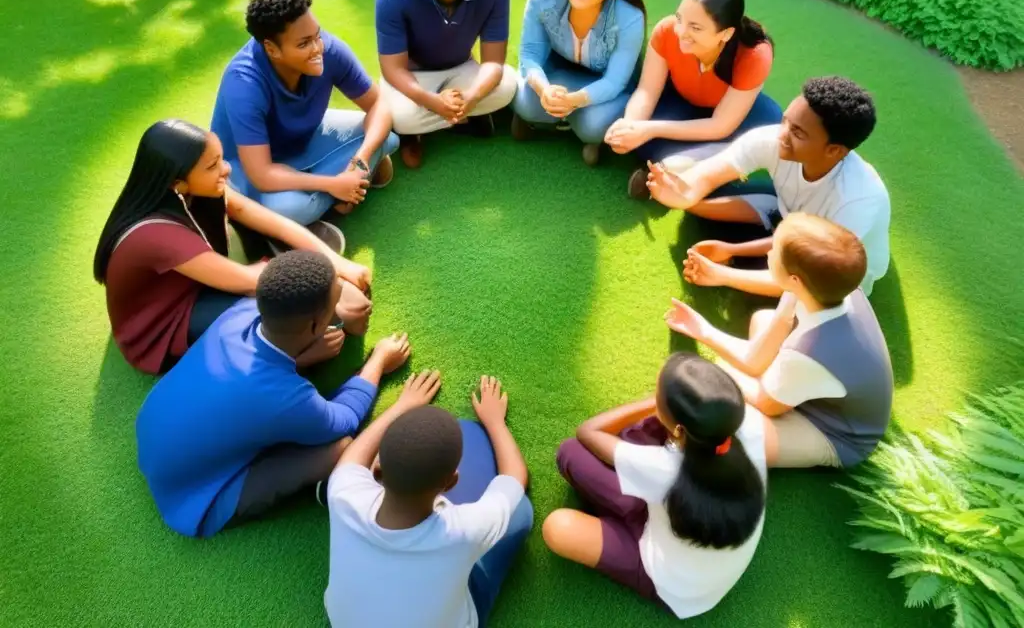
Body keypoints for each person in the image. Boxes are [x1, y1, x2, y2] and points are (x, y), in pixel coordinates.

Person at [135, 250, 412, 538]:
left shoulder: (241, 312)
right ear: (316, 326)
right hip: (193, 497)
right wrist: (378, 361)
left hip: (153, 433)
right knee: (339, 448)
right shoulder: (282, 396)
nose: (341, 303)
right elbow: (344, 419)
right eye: (336, 302)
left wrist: (305, 352)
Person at [93, 120, 374, 376]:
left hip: (193, 279)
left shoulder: (189, 192)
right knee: (282, 314)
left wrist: (339, 263)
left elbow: (273, 222)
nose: (226, 169)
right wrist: (333, 288)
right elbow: (253, 281)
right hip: (166, 320)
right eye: (212, 166)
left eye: (220, 159)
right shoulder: (158, 237)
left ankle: (298, 283)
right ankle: (290, 360)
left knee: (263, 237)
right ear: (178, 184)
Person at [543, 353, 766, 619]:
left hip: (670, 584)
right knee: (644, 433)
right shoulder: (748, 429)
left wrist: (651, 405)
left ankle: (621, 521)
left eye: (658, 395)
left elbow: (587, 432)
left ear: (681, 430)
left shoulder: (664, 469)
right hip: (694, 545)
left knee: (559, 515)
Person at [664, 213, 894, 470]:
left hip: (834, 431)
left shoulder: (810, 352)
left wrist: (726, 367)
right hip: (813, 384)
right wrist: (702, 330)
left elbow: (766, 403)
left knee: (732, 422)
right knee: (762, 321)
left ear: (796, 279)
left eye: (775, 249)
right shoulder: (826, 287)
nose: (770, 251)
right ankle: (779, 385)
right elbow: (756, 359)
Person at [647, 75, 891, 297]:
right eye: (785, 121)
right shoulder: (773, 139)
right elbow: (709, 175)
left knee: (795, 305)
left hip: (834, 272)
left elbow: (805, 284)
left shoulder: (856, 201)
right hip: (790, 218)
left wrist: (722, 275)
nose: (781, 134)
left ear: (834, 150)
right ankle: (767, 214)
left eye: (797, 132)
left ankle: (766, 218)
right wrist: (682, 194)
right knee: (699, 205)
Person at [324, 374, 533, 627]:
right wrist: (495, 422)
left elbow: (352, 459)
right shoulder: (463, 531)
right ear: (450, 483)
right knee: (520, 511)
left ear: (376, 471)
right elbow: (515, 479)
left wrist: (401, 406)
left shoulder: (342, 495)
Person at [210, 0, 399, 226]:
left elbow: (378, 105)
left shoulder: (329, 50)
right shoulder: (243, 83)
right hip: (249, 166)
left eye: (317, 36)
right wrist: (333, 185)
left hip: (302, 137)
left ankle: (340, 188)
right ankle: (337, 193)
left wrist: (360, 160)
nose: (317, 48)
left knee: (387, 138)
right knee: (294, 209)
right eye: (303, 44)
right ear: (271, 49)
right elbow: (262, 175)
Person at [603, 0, 782, 198]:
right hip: (681, 101)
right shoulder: (666, 31)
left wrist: (651, 129)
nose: (680, 31)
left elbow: (720, 126)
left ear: (725, 34)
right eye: (680, 19)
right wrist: (630, 126)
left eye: (695, 27)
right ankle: (677, 167)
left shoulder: (755, 54)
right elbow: (647, 92)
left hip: (732, 115)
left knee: (770, 130)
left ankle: (674, 168)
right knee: (644, 140)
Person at [375, 0, 517, 169]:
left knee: (508, 85)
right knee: (399, 116)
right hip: (412, 76)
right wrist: (432, 101)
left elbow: (493, 62)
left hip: (461, 69)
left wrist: (473, 95)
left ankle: (457, 112)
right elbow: (392, 68)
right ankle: (425, 128)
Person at [511, 0, 646, 166]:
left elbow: (615, 81)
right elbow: (530, 55)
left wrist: (576, 100)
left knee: (593, 126)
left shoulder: (630, 18)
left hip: (604, 87)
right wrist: (544, 90)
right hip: (559, 74)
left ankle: (570, 129)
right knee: (525, 101)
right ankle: (547, 119)